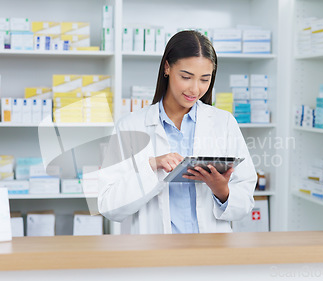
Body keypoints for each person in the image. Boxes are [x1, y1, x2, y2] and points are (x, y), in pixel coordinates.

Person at [98, 30, 257, 234]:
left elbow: (245, 200)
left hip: (210, 251)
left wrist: (222, 191)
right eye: (186, 77)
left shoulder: (223, 123)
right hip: (156, 252)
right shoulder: (130, 126)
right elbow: (108, 206)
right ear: (167, 68)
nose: (195, 89)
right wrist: (151, 166)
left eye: (204, 79)